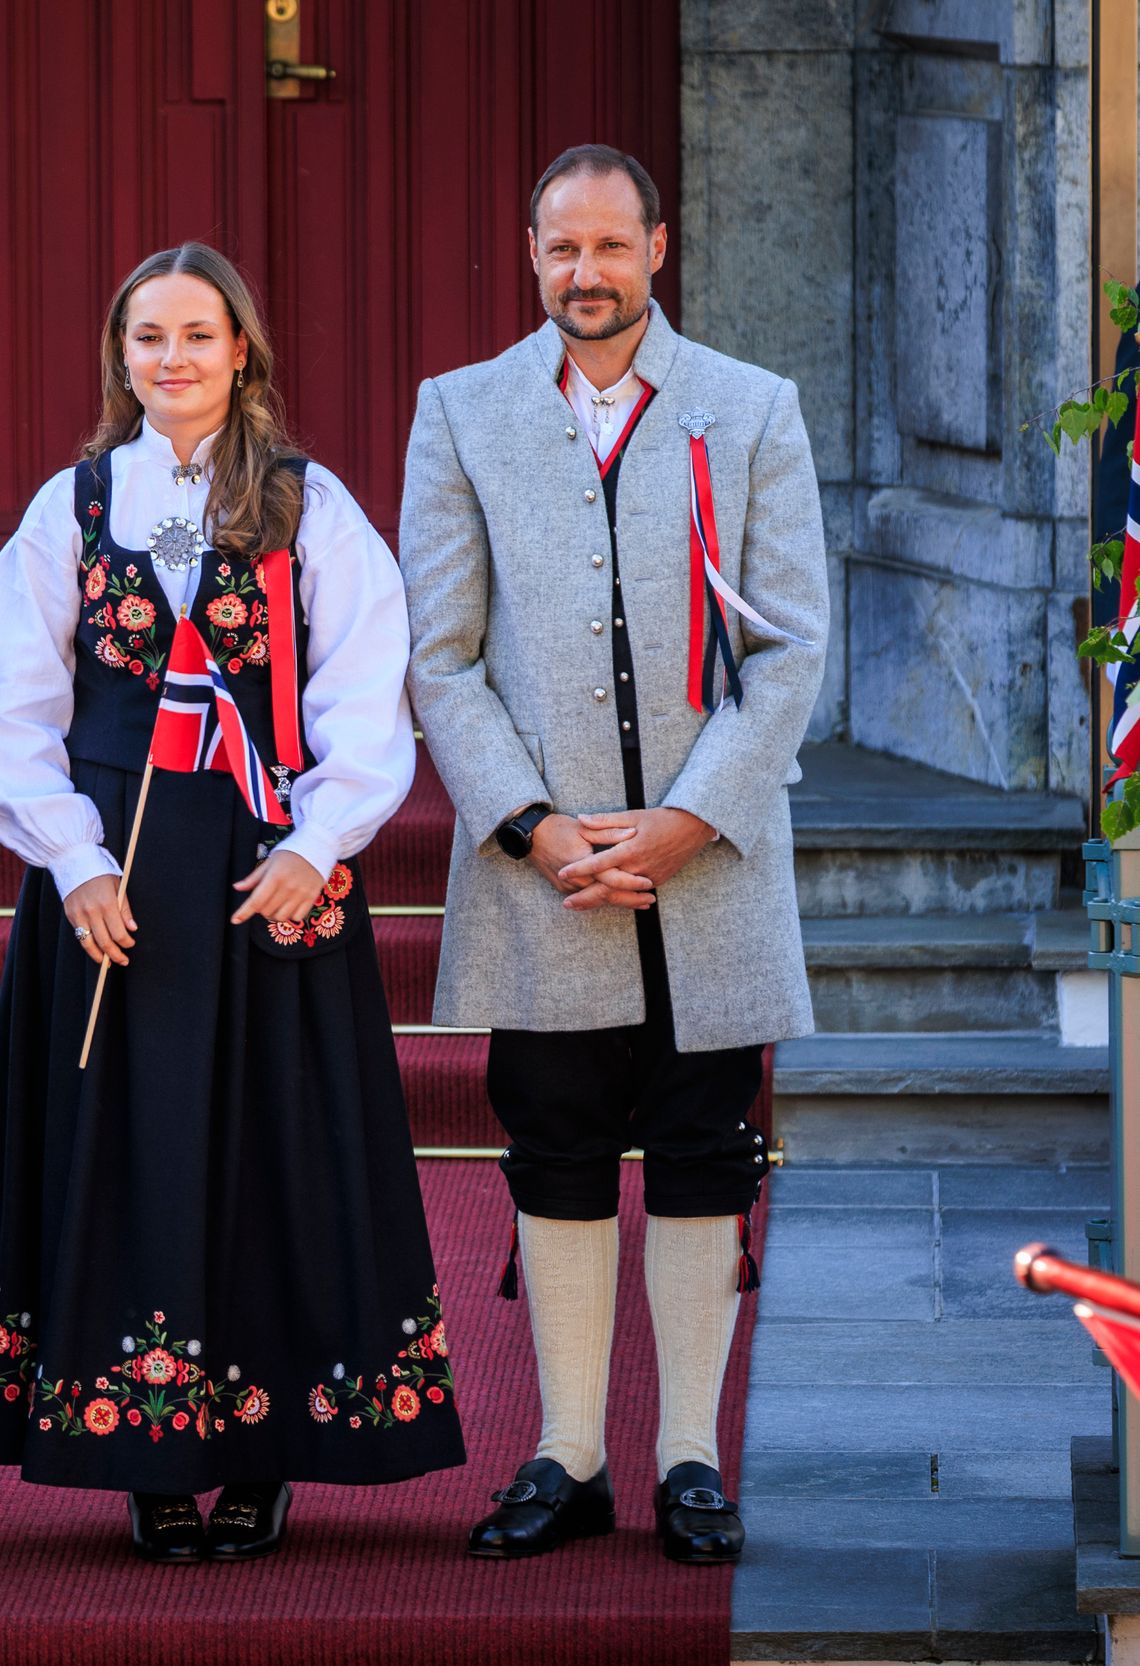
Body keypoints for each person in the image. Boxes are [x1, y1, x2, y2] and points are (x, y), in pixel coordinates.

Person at [0, 242, 465, 1564]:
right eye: (147, 340)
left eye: (196, 335)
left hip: (261, 862)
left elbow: (366, 686)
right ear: (120, 360)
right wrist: (71, 860)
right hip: (117, 874)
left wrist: (320, 836)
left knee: (266, 1149)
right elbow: (5, 709)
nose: (171, 360)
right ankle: (148, 1449)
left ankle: (264, 1445)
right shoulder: (72, 509)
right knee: (132, 1148)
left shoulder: (308, 504)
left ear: (244, 351)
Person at [399, 144, 828, 1566]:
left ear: (659, 246)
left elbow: (789, 651)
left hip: (709, 863)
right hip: (545, 871)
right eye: (558, 249)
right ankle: (567, 1452)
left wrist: (690, 818)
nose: (585, 273)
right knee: (558, 1141)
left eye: (610, 246)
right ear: (531, 255)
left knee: (709, 1145)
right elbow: (441, 656)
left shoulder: (751, 411)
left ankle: (690, 1457)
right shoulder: (459, 414)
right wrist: (533, 824)